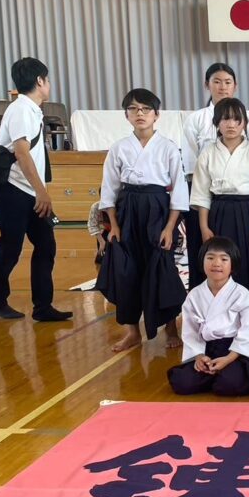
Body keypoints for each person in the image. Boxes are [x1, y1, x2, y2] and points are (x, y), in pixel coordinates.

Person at [98, 88, 188, 350]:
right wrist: (114, 225)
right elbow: (109, 188)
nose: (140, 113)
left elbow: (178, 191)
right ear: (126, 115)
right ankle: (132, 332)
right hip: (127, 210)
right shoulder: (119, 148)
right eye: (134, 109)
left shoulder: (168, 148)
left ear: (156, 115)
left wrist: (170, 227)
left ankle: (170, 328)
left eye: (146, 109)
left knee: (161, 268)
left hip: (157, 209)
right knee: (125, 271)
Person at [0, 57, 71, 321]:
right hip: (14, 190)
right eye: (48, 79)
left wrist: (39, 190)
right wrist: (41, 191)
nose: (49, 84)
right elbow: (22, 153)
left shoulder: (32, 109)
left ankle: (42, 306)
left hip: (30, 190)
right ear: (39, 81)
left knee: (46, 245)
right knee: (10, 247)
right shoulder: (21, 109)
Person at [181, 63, 249, 288]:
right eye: (216, 82)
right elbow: (191, 164)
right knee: (208, 254)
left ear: (235, 85)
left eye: (227, 82)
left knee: (247, 259)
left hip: (246, 202)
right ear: (207, 85)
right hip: (208, 198)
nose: (222, 87)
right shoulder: (196, 119)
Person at [190, 97, 249, 311]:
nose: (231, 125)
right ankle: (217, 315)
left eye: (237, 119)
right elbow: (201, 195)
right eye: (225, 119)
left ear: (245, 123)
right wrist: (204, 227)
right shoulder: (207, 153)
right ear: (217, 123)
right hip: (218, 213)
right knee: (220, 265)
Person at [167, 237, 249, 396]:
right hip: (207, 348)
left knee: (229, 384)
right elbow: (190, 331)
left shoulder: (242, 294)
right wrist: (199, 356)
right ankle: (214, 374)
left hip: (235, 350)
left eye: (224, 259)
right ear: (202, 261)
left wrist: (229, 358)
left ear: (233, 265)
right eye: (210, 258)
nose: (216, 263)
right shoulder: (194, 295)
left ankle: (220, 375)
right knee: (182, 382)